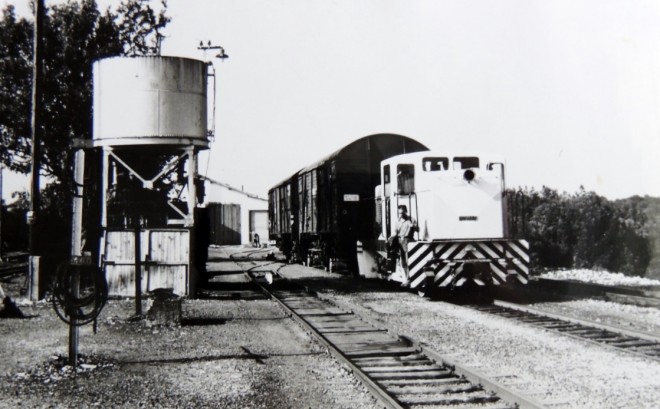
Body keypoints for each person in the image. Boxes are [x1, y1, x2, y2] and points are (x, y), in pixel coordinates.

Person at [389, 205, 415, 287]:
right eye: (399, 213)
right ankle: (405, 279)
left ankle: (409, 279)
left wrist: (412, 227)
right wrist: (391, 238)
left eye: (402, 213)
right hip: (400, 241)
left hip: (408, 240)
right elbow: (395, 232)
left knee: (408, 261)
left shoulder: (410, 220)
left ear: (406, 212)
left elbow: (414, 229)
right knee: (403, 261)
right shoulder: (397, 221)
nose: (401, 215)